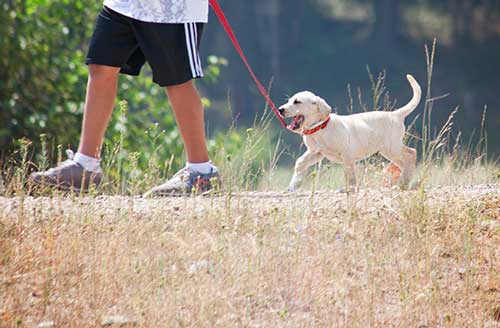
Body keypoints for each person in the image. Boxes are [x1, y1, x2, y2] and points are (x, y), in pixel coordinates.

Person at [30, 0, 220, 196]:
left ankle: (201, 172)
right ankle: (86, 165)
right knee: (101, 65)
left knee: (177, 81)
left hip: (172, 9)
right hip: (124, 4)